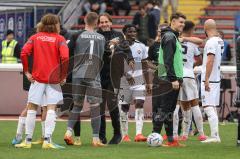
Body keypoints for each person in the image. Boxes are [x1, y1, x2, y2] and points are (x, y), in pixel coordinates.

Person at [15, 13, 69, 149]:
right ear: (56, 24)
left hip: (37, 79)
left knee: (32, 108)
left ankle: (27, 141)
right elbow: (65, 58)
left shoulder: (34, 37)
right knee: (51, 108)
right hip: (53, 80)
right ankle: (47, 140)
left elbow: (23, 53)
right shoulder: (60, 39)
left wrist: (27, 71)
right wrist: (63, 75)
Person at [64, 12, 106, 147]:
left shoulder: (76, 35)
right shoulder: (101, 37)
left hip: (77, 74)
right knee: (95, 106)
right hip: (93, 74)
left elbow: (66, 51)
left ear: (85, 21)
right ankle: (95, 139)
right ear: (96, 22)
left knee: (77, 105)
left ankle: (69, 132)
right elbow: (102, 56)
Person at [152, 12, 186, 147]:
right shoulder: (170, 37)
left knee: (169, 110)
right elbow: (167, 60)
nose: (182, 25)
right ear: (172, 22)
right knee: (164, 110)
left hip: (167, 77)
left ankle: (171, 140)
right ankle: (154, 137)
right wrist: (172, 79)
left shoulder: (171, 36)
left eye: (183, 22)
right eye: (180, 22)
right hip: (169, 79)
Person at [175, 20, 207, 141]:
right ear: (191, 30)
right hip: (188, 75)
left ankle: (184, 134)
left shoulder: (176, 41)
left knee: (184, 106)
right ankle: (202, 133)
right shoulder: (193, 43)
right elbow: (200, 60)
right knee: (194, 104)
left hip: (178, 76)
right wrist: (191, 66)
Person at [117, 24, 149, 142]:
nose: (132, 34)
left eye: (134, 32)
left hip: (139, 80)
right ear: (124, 33)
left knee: (140, 104)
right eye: (129, 31)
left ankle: (139, 134)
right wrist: (127, 75)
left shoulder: (141, 46)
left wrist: (148, 82)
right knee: (124, 107)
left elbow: (145, 64)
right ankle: (125, 134)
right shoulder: (119, 47)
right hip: (124, 82)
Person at [97, 13, 124, 144]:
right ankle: (101, 136)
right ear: (98, 24)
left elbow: (121, 49)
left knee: (112, 106)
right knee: (99, 107)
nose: (104, 24)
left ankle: (118, 134)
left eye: (106, 21)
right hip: (99, 75)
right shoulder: (95, 35)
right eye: (101, 22)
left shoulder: (118, 35)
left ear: (111, 22)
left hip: (114, 76)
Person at [201, 19, 224, 143]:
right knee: (212, 106)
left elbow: (210, 60)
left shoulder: (211, 42)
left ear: (205, 28)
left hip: (210, 78)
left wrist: (206, 79)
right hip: (216, 77)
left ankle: (215, 136)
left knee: (208, 106)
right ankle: (215, 135)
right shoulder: (220, 40)